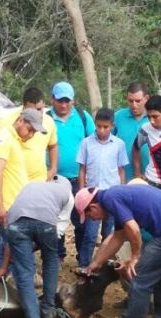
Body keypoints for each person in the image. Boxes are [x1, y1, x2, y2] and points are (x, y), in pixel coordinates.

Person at [77, 184, 161, 318]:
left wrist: (135, 257)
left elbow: (133, 229)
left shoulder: (110, 199)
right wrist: (96, 263)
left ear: (93, 206)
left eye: (89, 216)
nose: (93, 219)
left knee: (139, 277)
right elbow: (118, 237)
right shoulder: (117, 196)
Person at [4, 176, 74, 318]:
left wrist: (9, 261)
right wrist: (41, 243)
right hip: (46, 223)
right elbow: (58, 231)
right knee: (51, 260)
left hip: (15, 223)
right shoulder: (68, 195)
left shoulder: (32, 185)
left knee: (25, 275)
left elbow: (13, 221)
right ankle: (48, 312)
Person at [0, 108, 45, 275]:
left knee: (5, 250)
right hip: (6, 206)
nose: (31, 135)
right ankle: (0, 293)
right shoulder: (3, 138)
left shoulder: (13, 140)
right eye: (30, 129)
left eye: (34, 132)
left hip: (13, 207)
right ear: (20, 121)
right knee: (16, 251)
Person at [75, 108, 128, 268]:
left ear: (112, 126)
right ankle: (84, 264)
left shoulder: (119, 144)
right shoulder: (86, 143)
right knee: (90, 234)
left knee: (110, 234)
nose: (101, 130)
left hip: (112, 195)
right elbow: (82, 169)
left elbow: (120, 170)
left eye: (105, 127)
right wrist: (82, 191)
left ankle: (105, 266)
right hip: (93, 196)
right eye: (98, 126)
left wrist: (122, 191)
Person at [49, 81, 94, 262]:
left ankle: (82, 257)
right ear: (52, 100)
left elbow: (93, 142)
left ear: (73, 101)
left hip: (79, 179)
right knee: (55, 220)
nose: (64, 105)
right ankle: (57, 255)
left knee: (82, 220)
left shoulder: (83, 117)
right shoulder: (46, 119)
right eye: (60, 101)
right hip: (54, 179)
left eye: (67, 101)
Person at [0, 87, 58, 182]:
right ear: (24, 106)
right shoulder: (6, 123)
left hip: (40, 181)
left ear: (44, 105)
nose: (36, 114)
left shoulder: (49, 122)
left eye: (39, 109)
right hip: (14, 183)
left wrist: (53, 169)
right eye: (31, 111)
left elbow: (53, 146)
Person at [113, 82, 151, 180]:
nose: (134, 105)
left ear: (146, 98)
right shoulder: (118, 117)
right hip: (124, 177)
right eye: (131, 101)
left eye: (138, 101)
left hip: (152, 178)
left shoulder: (156, 118)